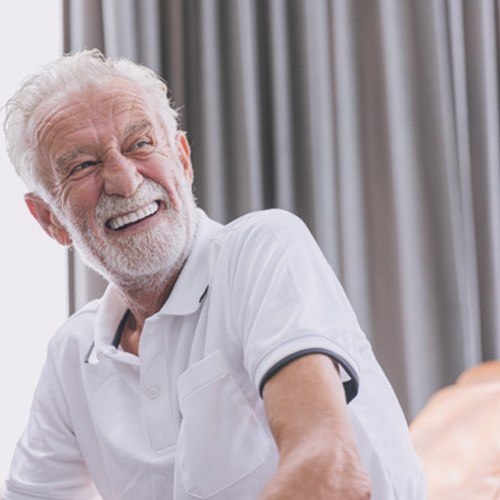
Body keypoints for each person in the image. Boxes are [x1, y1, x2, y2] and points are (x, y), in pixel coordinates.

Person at [2, 49, 425, 500]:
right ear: (50, 219)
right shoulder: (74, 355)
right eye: (82, 166)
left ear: (182, 160)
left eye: (140, 144)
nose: (124, 181)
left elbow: (329, 471)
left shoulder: (261, 249)